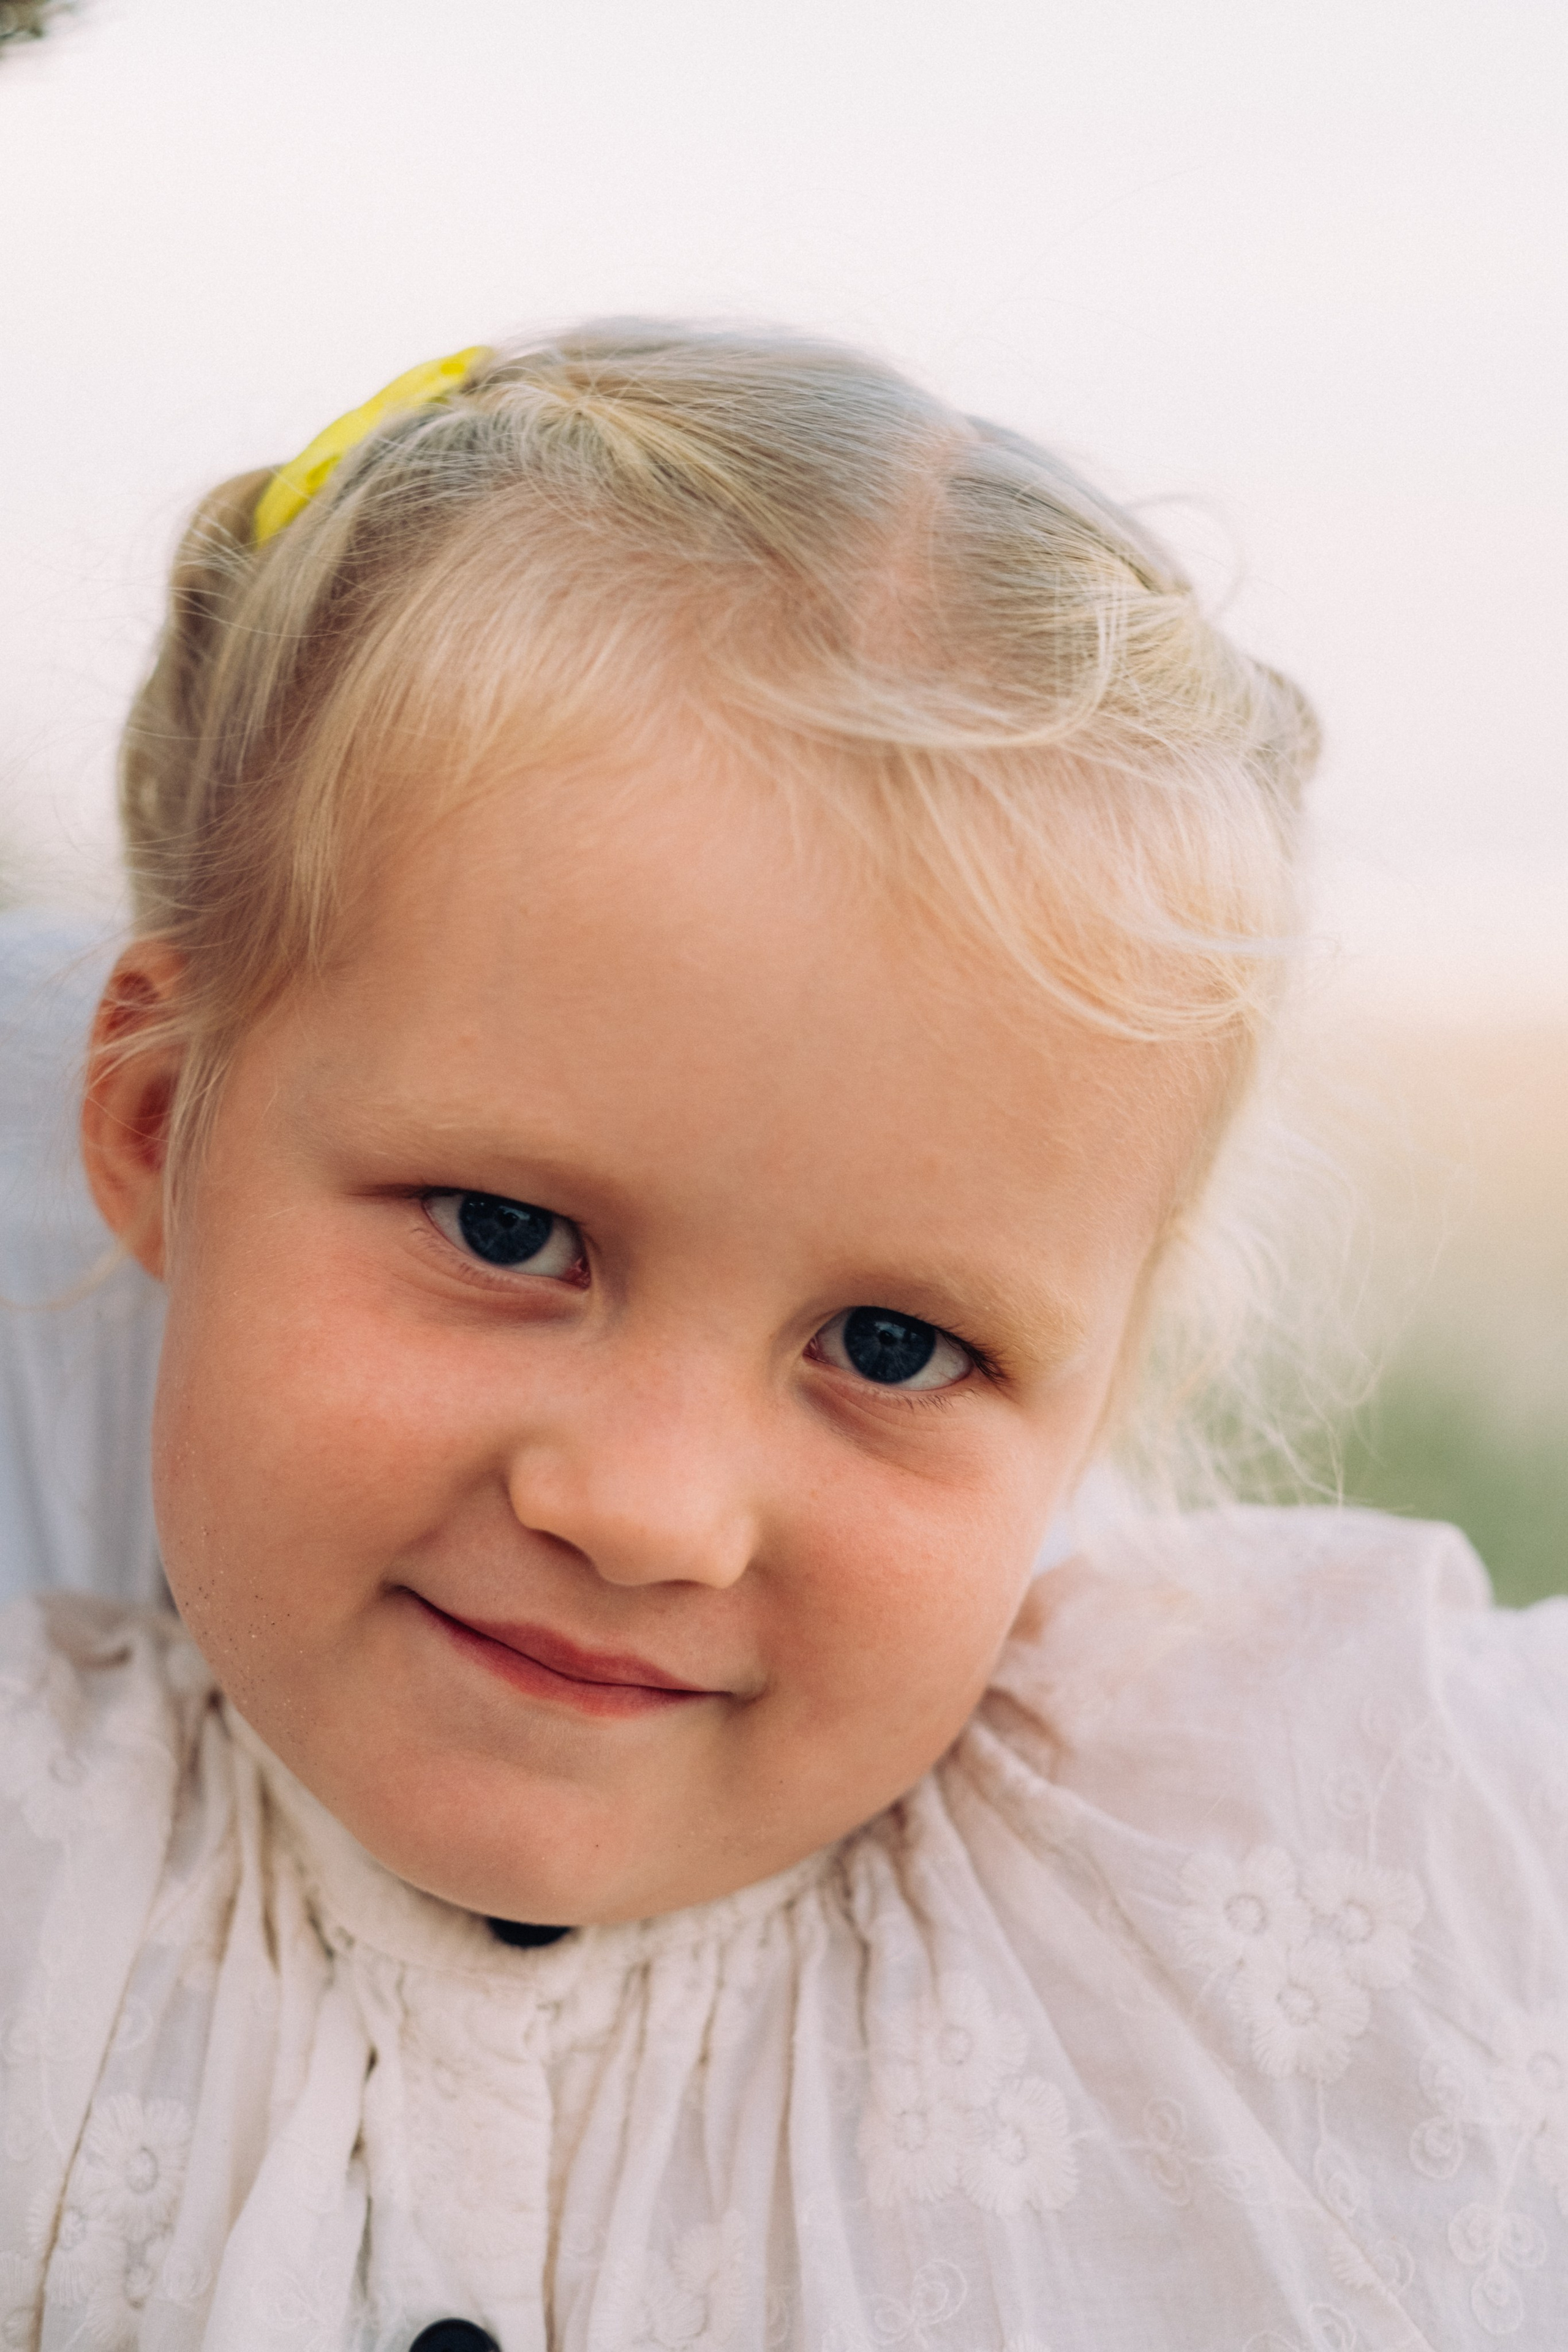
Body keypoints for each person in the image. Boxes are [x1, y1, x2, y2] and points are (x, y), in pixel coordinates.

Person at [2, 326, 1564, 2352]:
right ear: (156, 1128)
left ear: (1106, 1391)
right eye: (508, 1233)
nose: (648, 1511)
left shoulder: (1319, 1879)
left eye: (894, 1350)